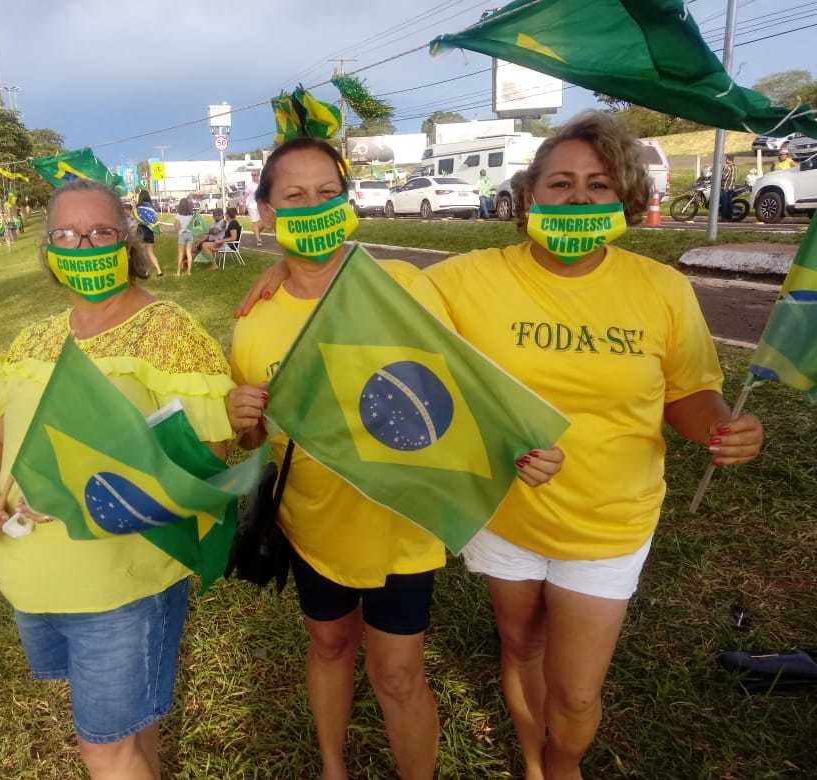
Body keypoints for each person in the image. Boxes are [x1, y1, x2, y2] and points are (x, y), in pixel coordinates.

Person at [421, 111, 765, 779]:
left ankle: (563, 764)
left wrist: (723, 426)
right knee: (522, 645)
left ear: (624, 198)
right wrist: (288, 274)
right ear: (530, 195)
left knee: (578, 692)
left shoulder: (661, 288)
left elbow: (690, 394)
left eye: (598, 184)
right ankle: (533, 762)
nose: (578, 197)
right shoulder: (464, 278)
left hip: (611, 518)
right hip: (507, 508)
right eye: (561, 183)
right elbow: (382, 310)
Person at [227, 137, 562, 780]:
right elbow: (254, 443)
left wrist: (520, 444)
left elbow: (467, 385)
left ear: (348, 202)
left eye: (327, 193)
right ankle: (333, 768)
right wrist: (242, 421)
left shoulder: (404, 286)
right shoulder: (255, 321)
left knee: (399, 673)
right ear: (266, 212)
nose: (313, 208)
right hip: (314, 525)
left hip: (403, 523)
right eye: (294, 196)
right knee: (329, 645)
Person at [0, 179, 234, 779]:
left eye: (100, 232)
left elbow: (208, 456)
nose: (83, 245)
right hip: (32, 579)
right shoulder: (35, 339)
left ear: (128, 240)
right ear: (48, 249)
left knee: (103, 748)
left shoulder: (168, 332)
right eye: (67, 234)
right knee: (131, 732)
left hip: (121, 586)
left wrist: (97, 485)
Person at [135, 189, 164, 277]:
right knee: (150, 253)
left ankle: (145, 271)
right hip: (150, 231)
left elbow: (136, 218)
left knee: (142, 254)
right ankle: (159, 271)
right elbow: (154, 220)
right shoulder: (151, 207)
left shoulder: (138, 208)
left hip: (141, 231)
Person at [175, 196, 195, 276]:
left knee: (180, 253)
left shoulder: (178, 215)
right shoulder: (191, 215)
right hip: (190, 234)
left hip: (182, 234)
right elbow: (193, 226)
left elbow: (177, 227)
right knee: (189, 253)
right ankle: (189, 271)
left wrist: (179, 230)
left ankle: (178, 272)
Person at [246, 172, 264, 246]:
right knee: (255, 223)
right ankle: (258, 240)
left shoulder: (262, 184)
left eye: (255, 175)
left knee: (264, 222)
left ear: (258, 175)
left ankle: (257, 231)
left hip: (261, 206)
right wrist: (243, 204)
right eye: (252, 175)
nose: (253, 176)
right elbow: (245, 195)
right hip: (252, 206)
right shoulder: (250, 185)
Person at [719, 153, 738, 220]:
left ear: (728, 159)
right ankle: (730, 217)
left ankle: (724, 217)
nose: (725, 160)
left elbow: (723, 177)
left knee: (724, 203)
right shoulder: (735, 167)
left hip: (725, 187)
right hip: (731, 187)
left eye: (726, 159)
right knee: (729, 202)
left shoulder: (727, 167)